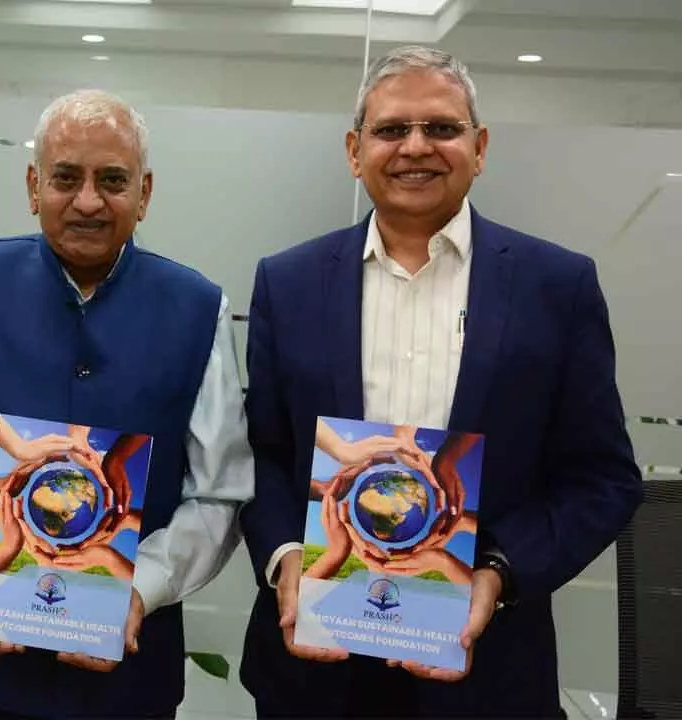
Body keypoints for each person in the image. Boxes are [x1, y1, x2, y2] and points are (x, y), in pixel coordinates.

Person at [239, 46, 642, 718]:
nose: (415, 147)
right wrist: (285, 557)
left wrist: (500, 573)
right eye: (392, 129)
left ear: (479, 148)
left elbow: (602, 478)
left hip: (487, 669)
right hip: (313, 668)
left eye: (442, 128)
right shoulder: (289, 282)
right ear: (354, 149)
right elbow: (263, 452)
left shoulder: (557, 287)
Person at [0, 88, 253, 718]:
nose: (88, 200)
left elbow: (217, 491)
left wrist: (139, 590)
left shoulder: (198, 308)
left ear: (144, 193)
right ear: (34, 187)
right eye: (66, 178)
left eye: (113, 179)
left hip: (126, 676)